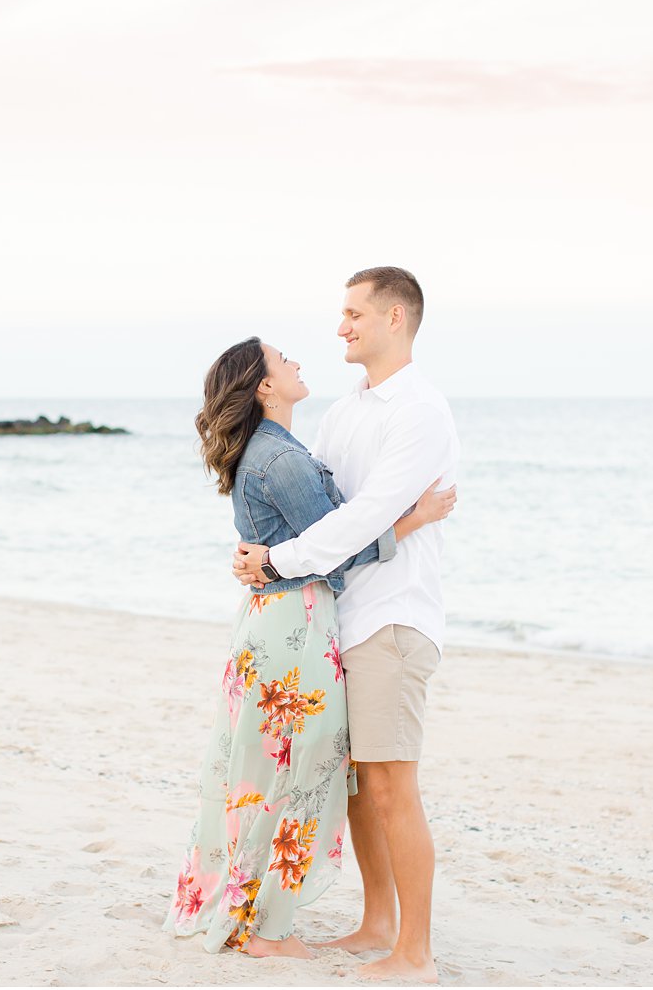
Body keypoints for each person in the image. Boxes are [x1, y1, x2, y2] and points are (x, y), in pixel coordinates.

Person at [161, 336, 456, 959]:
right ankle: (268, 929)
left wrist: (267, 562)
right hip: (295, 628)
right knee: (293, 775)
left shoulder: (280, 449)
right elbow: (337, 549)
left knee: (270, 771)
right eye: (281, 359)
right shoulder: (282, 458)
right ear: (264, 386)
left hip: (281, 622)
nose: (296, 361)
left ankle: (259, 919)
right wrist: (416, 518)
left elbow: (319, 538)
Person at [231, 267, 459, 983]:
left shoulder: (419, 409)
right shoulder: (344, 409)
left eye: (355, 313)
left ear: (395, 317)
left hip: (393, 615)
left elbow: (363, 517)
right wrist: (268, 552)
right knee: (363, 787)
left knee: (395, 784)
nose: (341, 327)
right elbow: (323, 501)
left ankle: (414, 950)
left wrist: (276, 561)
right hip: (345, 616)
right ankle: (378, 922)